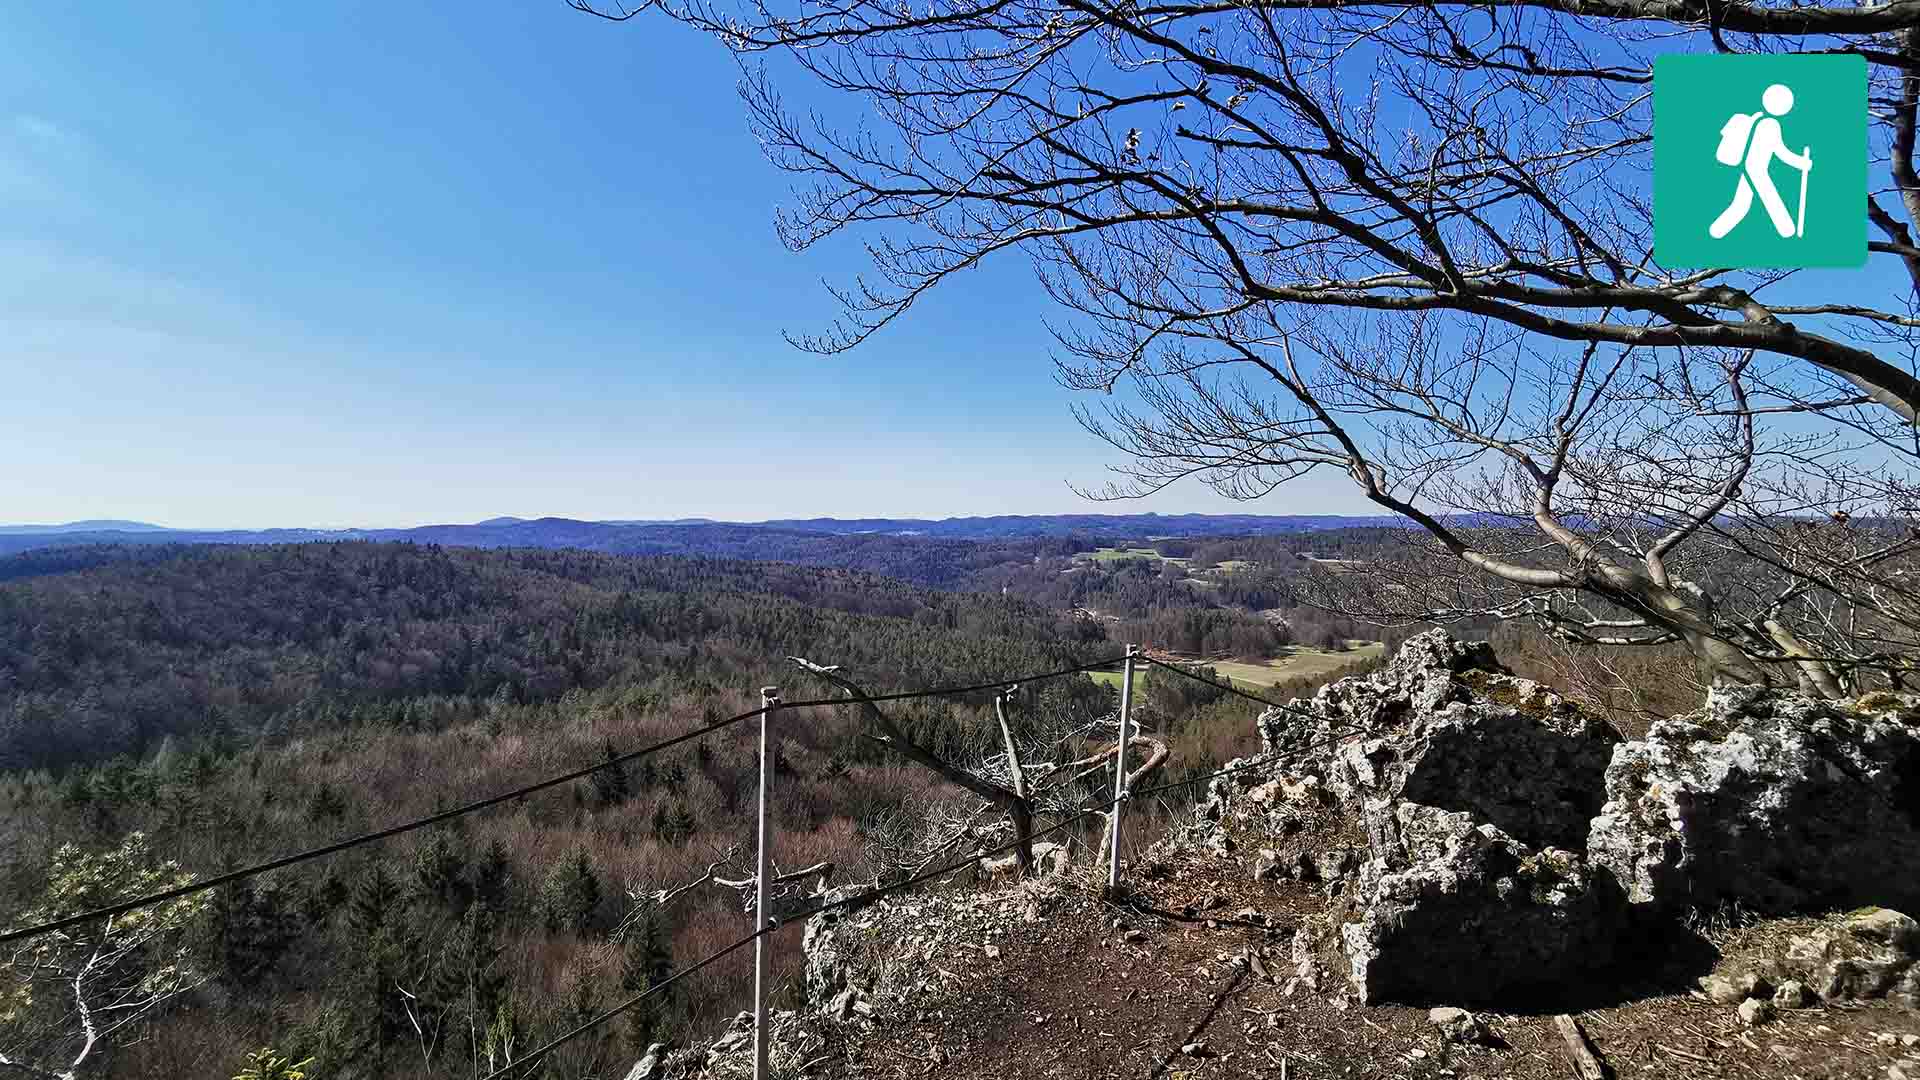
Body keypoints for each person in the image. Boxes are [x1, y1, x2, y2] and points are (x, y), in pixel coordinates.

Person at [1709, 83, 1812, 240]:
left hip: (1748, 167)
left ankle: (1716, 231)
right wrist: (1802, 163)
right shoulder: (1770, 124)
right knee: (1766, 199)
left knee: (1741, 204)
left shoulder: (1754, 118)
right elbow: (1781, 151)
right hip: (1755, 169)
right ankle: (1787, 230)